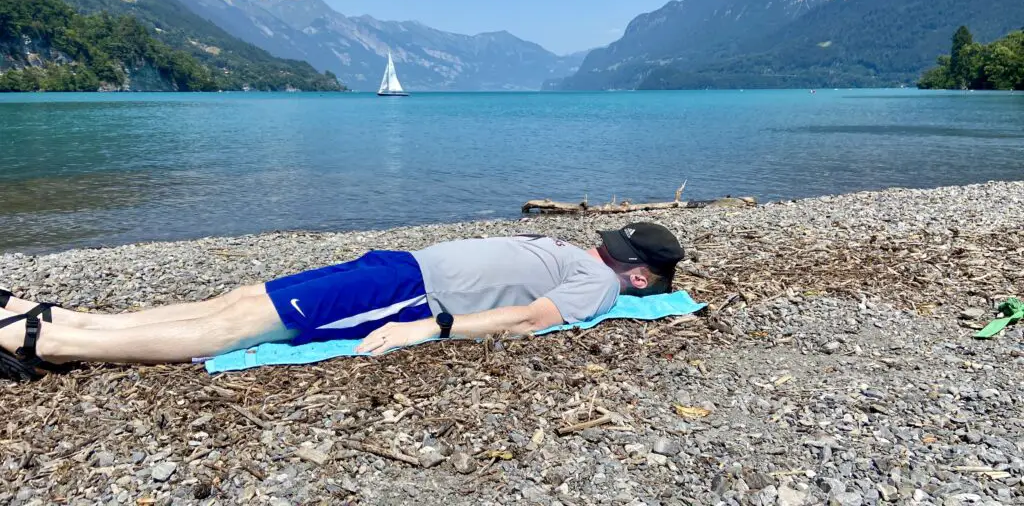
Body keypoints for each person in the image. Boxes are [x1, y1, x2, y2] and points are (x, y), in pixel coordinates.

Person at [0, 223, 684, 381]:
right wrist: (435, 317)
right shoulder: (591, 271)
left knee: (239, 318)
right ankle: (56, 324)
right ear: (646, 276)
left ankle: (48, 336)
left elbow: (529, 319)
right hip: (399, 274)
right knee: (238, 303)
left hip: (406, 280)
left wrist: (434, 327)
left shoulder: (584, 268)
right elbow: (532, 310)